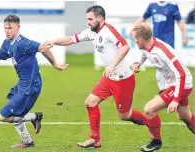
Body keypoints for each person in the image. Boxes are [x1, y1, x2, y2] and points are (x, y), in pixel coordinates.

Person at [42, 5, 149, 148]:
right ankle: (94, 139)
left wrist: (111, 65)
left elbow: (125, 47)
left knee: (125, 116)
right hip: (109, 78)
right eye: (87, 19)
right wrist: (54, 42)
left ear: (100, 18)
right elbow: (71, 39)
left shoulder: (109, 30)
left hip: (123, 79)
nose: (88, 22)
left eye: (91, 19)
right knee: (90, 102)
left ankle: (151, 123)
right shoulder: (91, 32)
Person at [0, 14, 69, 149]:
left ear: (18, 27)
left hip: (30, 87)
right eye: (5, 28)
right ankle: (28, 141)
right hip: (22, 85)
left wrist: (55, 64)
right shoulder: (7, 44)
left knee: (2, 116)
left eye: (10, 28)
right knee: (15, 114)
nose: (7, 31)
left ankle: (34, 117)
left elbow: (43, 48)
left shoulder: (23, 43)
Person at [132, 23, 195, 152]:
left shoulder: (161, 51)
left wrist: (176, 99)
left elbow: (181, 73)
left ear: (139, 40)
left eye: (134, 39)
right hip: (174, 84)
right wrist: (138, 63)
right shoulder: (147, 47)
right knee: (185, 116)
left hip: (181, 84)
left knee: (149, 109)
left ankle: (156, 142)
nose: (134, 42)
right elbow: (144, 55)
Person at [131, 1, 189, 95]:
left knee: (170, 67)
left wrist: (185, 35)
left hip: (167, 43)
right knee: (159, 67)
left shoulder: (172, 6)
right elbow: (143, 18)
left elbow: (180, 21)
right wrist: (133, 28)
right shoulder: (152, 6)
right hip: (154, 43)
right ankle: (165, 90)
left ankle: (171, 90)